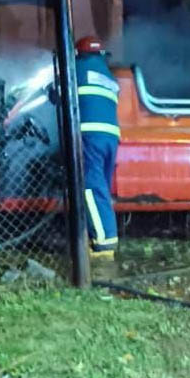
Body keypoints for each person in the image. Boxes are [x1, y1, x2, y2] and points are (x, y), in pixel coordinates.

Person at [75, 36, 121, 280]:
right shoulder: (107, 74)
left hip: (89, 134)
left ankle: (103, 246)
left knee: (91, 188)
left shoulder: (78, 68)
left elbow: (58, 96)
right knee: (101, 188)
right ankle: (103, 235)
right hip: (110, 137)